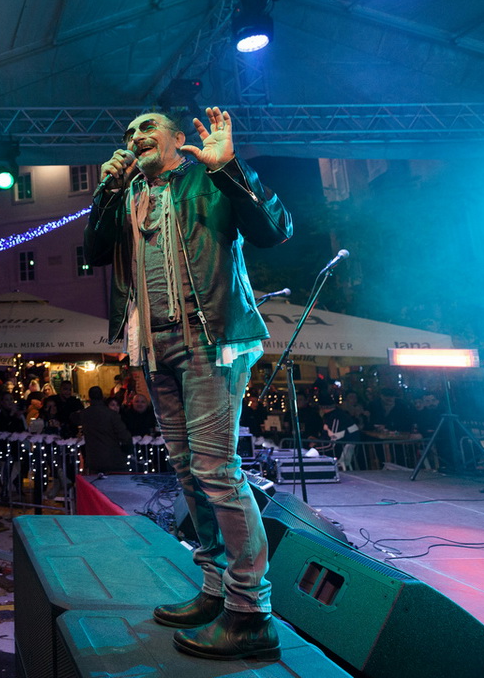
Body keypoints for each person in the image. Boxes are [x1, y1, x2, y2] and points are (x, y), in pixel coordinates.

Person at [85, 107, 291, 661]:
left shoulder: (210, 176)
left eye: (146, 128)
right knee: (187, 471)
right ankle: (215, 588)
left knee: (217, 471)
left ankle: (251, 612)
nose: (134, 138)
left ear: (177, 138)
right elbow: (92, 253)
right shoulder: (128, 193)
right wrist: (107, 189)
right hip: (155, 347)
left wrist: (231, 168)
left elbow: (277, 228)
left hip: (210, 336)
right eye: (127, 133)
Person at [74, 386, 134, 475]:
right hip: (113, 457)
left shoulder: (84, 414)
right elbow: (124, 436)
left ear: (90, 398)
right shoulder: (112, 415)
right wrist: (128, 449)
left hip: (93, 459)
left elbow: (72, 418)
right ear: (102, 397)